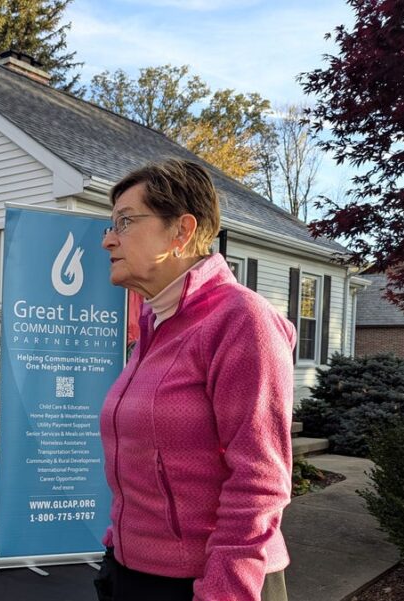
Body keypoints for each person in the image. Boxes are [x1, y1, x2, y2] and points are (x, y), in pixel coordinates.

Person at [97, 159, 296, 601]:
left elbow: (260, 481)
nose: (108, 239)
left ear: (181, 232)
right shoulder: (154, 324)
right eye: (111, 225)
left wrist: (224, 592)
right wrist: (118, 545)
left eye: (125, 222)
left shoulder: (242, 321)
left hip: (211, 583)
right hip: (133, 574)